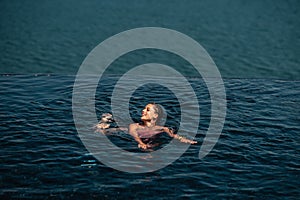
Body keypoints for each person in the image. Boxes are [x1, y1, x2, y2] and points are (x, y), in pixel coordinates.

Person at [95, 103, 197, 150]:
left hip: (147, 139)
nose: (143, 111)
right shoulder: (134, 126)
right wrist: (141, 143)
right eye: (144, 109)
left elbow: (174, 136)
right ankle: (104, 121)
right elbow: (133, 134)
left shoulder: (162, 129)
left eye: (147, 110)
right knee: (101, 130)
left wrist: (187, 141)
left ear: (155, 116)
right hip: (121, 131)